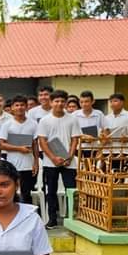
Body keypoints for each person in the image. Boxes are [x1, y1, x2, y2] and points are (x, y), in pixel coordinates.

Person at [35, 89, 80, 227]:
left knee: (71, 190)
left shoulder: (72, 119)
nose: (59, 103)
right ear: (51, 102)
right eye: (56, 101)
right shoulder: (45, 120)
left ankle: (72, 218)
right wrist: (53, 158)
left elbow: (75, 139)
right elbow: (42, 141)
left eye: (62, 101)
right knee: (51, 191)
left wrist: (69, 157)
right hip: (50, 162)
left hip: (69, 162)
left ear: (65, 103)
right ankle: (52, 219)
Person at [0, 96, 40, 206]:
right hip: (12, 165)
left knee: (26, 193)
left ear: (26, 107)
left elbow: (35, 144)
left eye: (22, 105)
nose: (19, 107)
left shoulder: (33, 124)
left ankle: (26, 214)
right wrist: (19, 149)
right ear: (12, 108)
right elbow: (0, 145)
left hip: (28, 165)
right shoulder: (7, 124)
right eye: (16, 105)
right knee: (11, 192)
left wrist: (36, 162)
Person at [100, 93, 128, 172]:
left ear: (122, 102)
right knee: (105, 174)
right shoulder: (106, 118)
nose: (112, 104)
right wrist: (104, 138)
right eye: (111, 102)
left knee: (119, 174)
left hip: (123, 150)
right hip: (107, 150)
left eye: (115, 101)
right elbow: (103, 133)